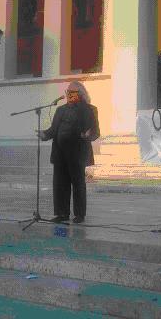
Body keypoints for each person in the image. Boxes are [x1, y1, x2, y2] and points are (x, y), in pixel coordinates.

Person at [38, 81, 100, 224]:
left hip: (77, 153)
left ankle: (79, 215)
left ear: (80, 94)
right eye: (68, 92)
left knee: (78, 184)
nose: (68, 94)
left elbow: (95, 132)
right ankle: (62, 214)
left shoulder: (89, 109)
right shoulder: (61, 110)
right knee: (60, 184)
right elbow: (53, 130)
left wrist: (88, 135)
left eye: (72, 92)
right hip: (60, 153)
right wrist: (44, 134)